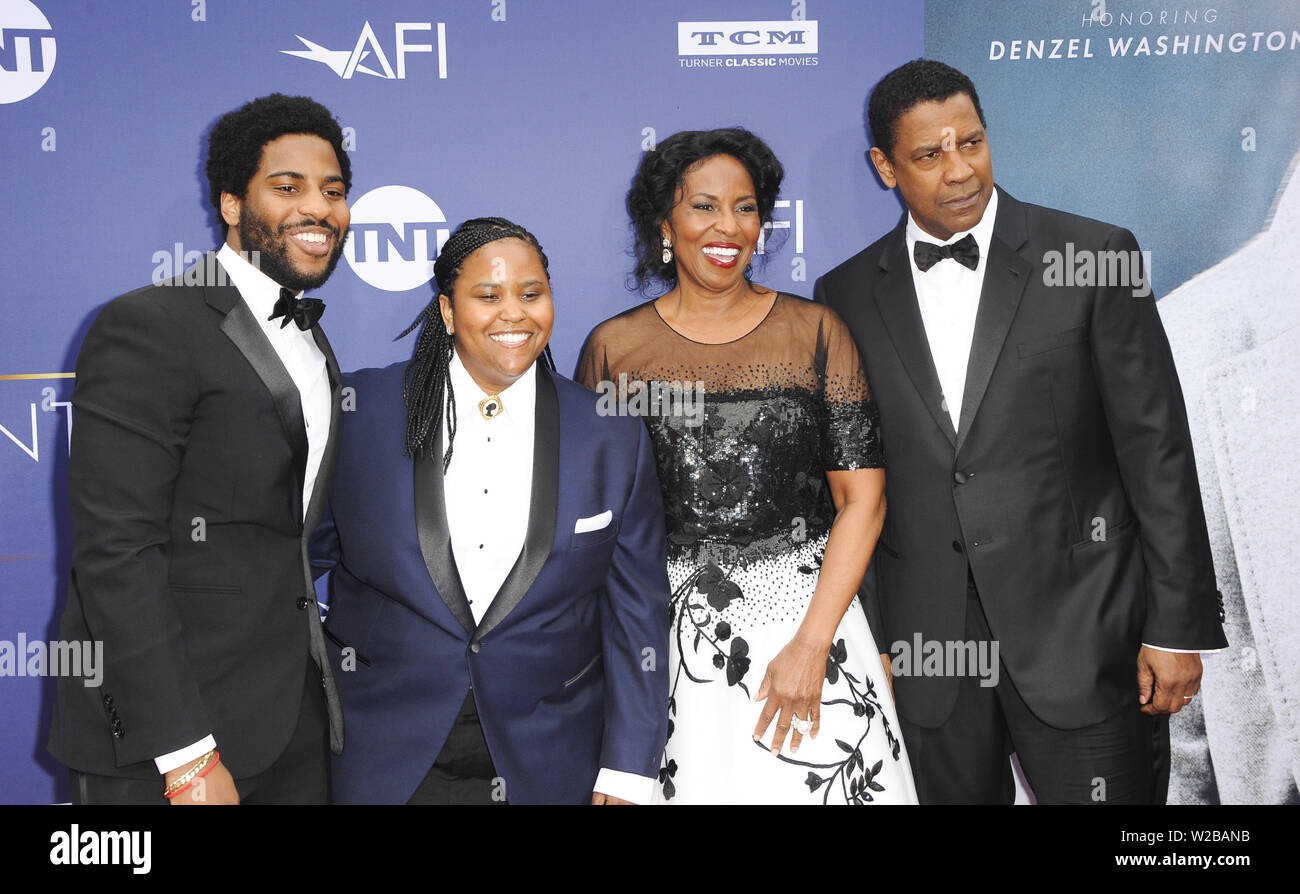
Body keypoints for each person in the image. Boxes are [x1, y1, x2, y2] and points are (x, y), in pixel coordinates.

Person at [814, 59, 1228, 804]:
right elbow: (852, 483)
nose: (960, 170)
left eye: (971, 143)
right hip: (928, 653)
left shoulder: (1094, 257)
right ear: (885, 166)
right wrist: (870, 638)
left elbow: (1157, 451)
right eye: (930, 155)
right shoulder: (842, 294)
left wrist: (1175, 627)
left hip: (1085, 635)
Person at [577, 129, 917, 804]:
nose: (727, 227)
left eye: (746, 206)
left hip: (812, 625)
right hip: (668, 644)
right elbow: (596, 523)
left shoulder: (817, 332)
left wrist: (812, 644)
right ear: (663, 224)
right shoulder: (615, 349)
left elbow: (863, 501)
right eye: (703, 207)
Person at [48, 93, 352, 804]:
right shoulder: (149, 325)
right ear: (230, 204)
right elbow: (115, 553)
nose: (319, 208)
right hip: (165, 744)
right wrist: (184, 755)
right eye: (288, 187)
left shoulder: (313, 340)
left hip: (293, 725)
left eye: (333, 191)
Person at [311, 217, 670, 805]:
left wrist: (629, 768)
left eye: (531, 294)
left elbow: (638, 616)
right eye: (488, 295)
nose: (515, 313)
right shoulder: (360, 410)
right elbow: (298, 564)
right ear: (448, 312)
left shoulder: (611, 433)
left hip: (551, 757)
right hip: (382, 752)